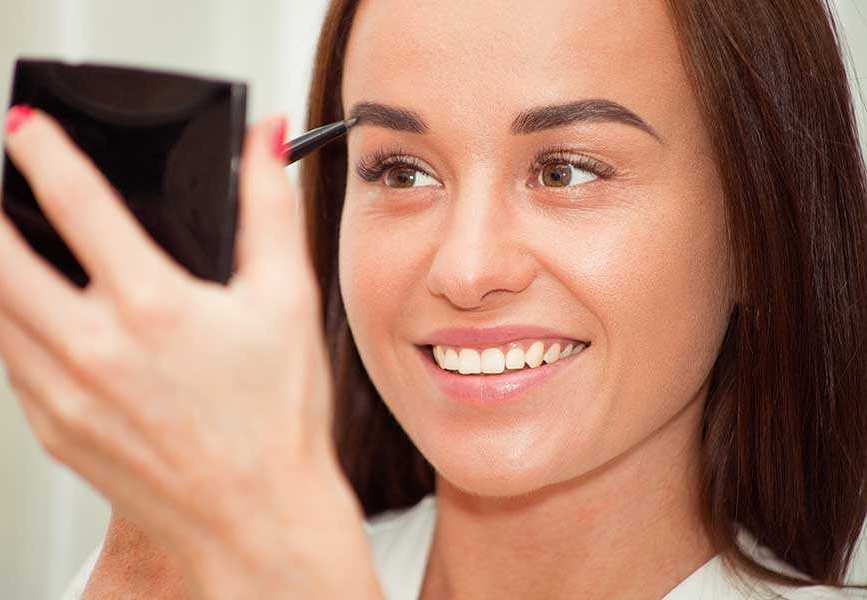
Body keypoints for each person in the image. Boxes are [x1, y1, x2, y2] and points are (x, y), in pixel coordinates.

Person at [53, 0, 866, 597]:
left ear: (761, 223)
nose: (466, 269)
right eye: (400, 172)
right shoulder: (163, 581)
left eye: (566, 171)